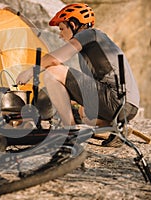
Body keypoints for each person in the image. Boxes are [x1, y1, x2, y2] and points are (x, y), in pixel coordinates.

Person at [16, 3, 140, 144]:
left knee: (52, 72)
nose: (60, 34)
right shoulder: (93, 48)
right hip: (129, 107)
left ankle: (70, 130)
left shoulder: (90, 34)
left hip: (116, 101)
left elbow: (53, 60)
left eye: (62, 28)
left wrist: (29, 72)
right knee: (83, 113)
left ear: (74, 25)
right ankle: (117, 127)